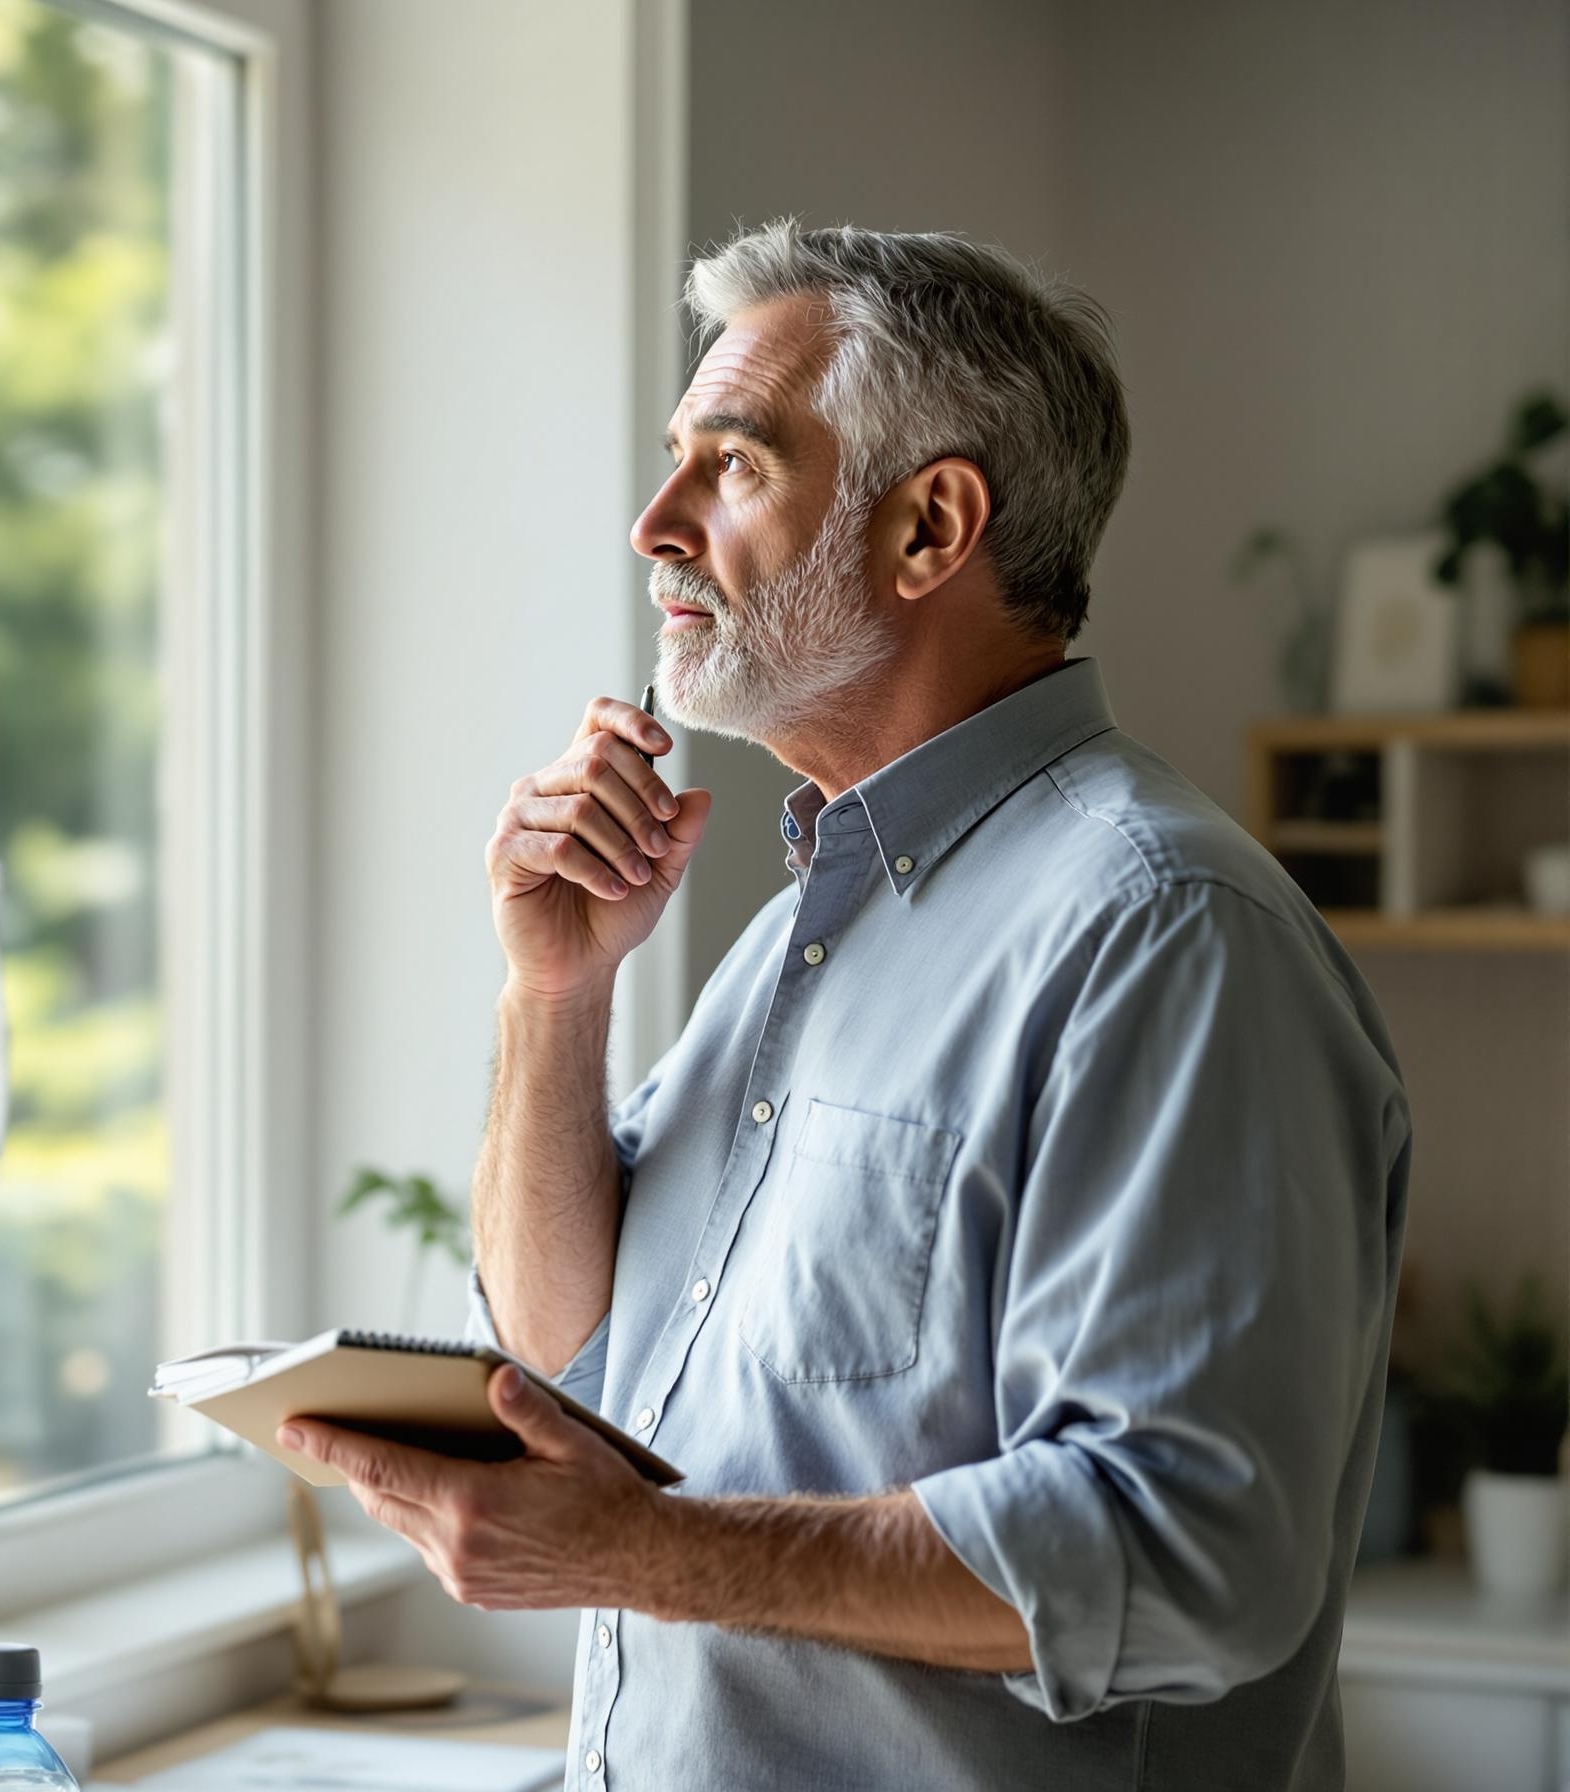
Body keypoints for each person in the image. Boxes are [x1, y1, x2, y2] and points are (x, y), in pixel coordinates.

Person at [277, 221, 1411, 1790]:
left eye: (730, 466)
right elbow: (577, 1372)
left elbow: (1191, 1553)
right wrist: (556, 994)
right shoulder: (800, 932)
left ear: (930, 527)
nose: (651, 524)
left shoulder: (1163, 935)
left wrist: (650, 1553)